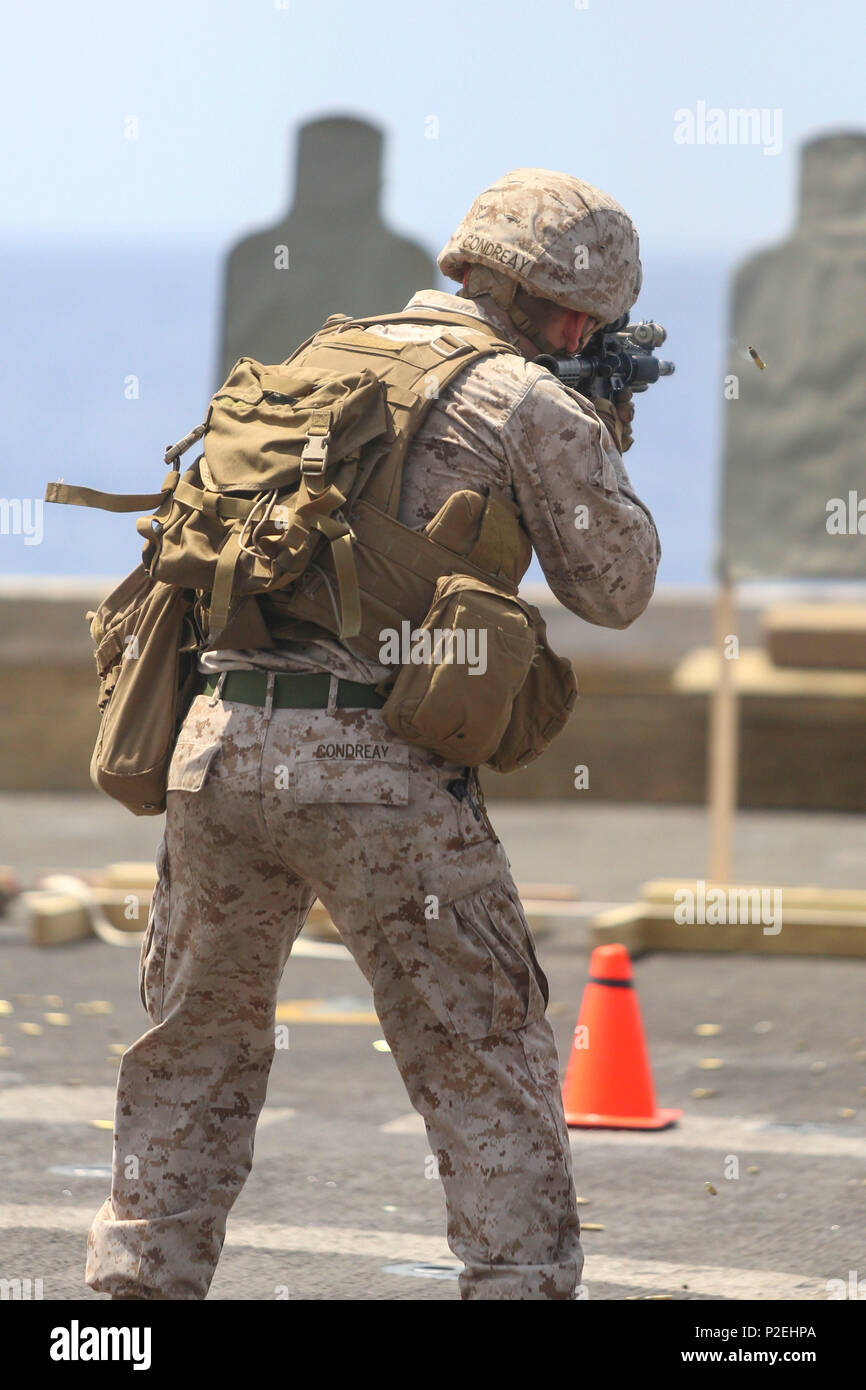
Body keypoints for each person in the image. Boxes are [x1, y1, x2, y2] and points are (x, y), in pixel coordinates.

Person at [86, 168, 661, 1301]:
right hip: (378, 775)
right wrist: (596, 433)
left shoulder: (318, 357)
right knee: (480, 1051)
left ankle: (131, 1297)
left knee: (194, 1048)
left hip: (218, 746)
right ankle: (518, 1287)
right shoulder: (527, 401)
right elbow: (615, 587)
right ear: (566, 313)